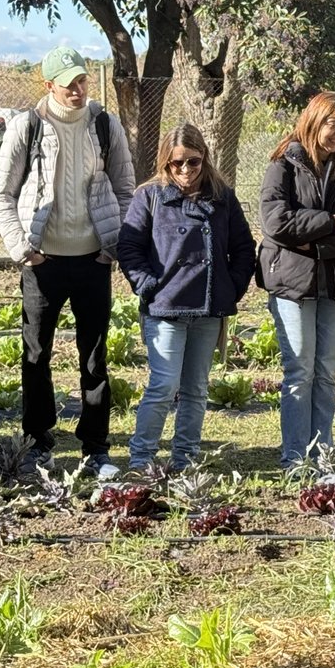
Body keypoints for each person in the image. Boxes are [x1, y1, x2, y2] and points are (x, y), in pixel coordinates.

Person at [0, 45, 135, 478]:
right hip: (42, 262)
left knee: (94, 357)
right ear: (49, 83)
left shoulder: (105, 125)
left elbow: (126, 189)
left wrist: (113, 245)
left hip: (93, 259)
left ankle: (95, 447)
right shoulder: (27, 127)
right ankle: (38, 442)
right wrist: (22, 249)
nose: (78, 88)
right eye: (69, 81)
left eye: (83, 79)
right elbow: (3, 193)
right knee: (36, 355)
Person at [118, 124, 256, 471]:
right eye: (175, 164)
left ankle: (185, 458)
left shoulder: (222, 196)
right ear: (165, 163)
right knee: (163, 385)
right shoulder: (148, 196)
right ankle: (142, 458)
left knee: (196, 388)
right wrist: (148, 285)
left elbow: (243, 248)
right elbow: (129, 247)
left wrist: (230, 285)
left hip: (208, 306)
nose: (184, 171)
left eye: (192, 162)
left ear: (204, 158)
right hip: (164, 306)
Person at [258, 92, 335, 468]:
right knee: (299, 370)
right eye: (332, 123)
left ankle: (321, 453)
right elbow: (276, 222)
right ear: (314, 121)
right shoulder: (284, 163)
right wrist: (331, 220)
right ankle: (294, 457)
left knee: (325, 372)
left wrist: (314, 240)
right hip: (292, 284)